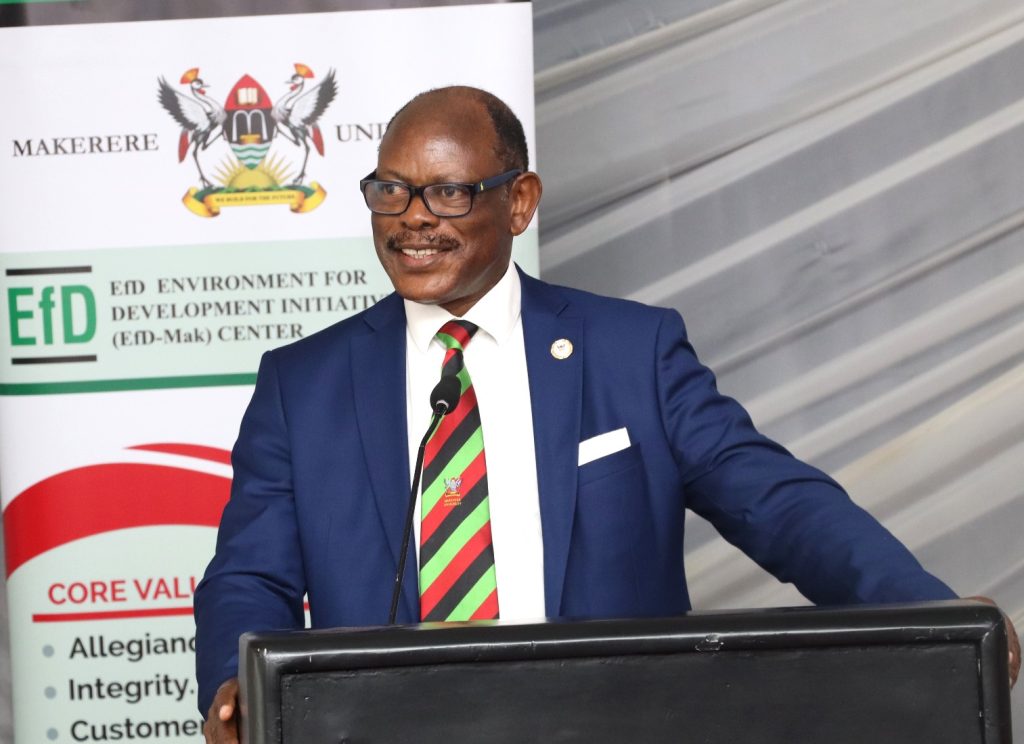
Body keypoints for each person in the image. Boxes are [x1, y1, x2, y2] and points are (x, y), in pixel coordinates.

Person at [195, 86, 1019, 742]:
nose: (413, 216)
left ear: (518, 203)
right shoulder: (303, 385)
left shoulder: (632, 352)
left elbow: (778, 505)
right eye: (391, 190)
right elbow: (250, 575)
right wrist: (236, 687)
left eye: (446, 191)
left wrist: (929, 607)